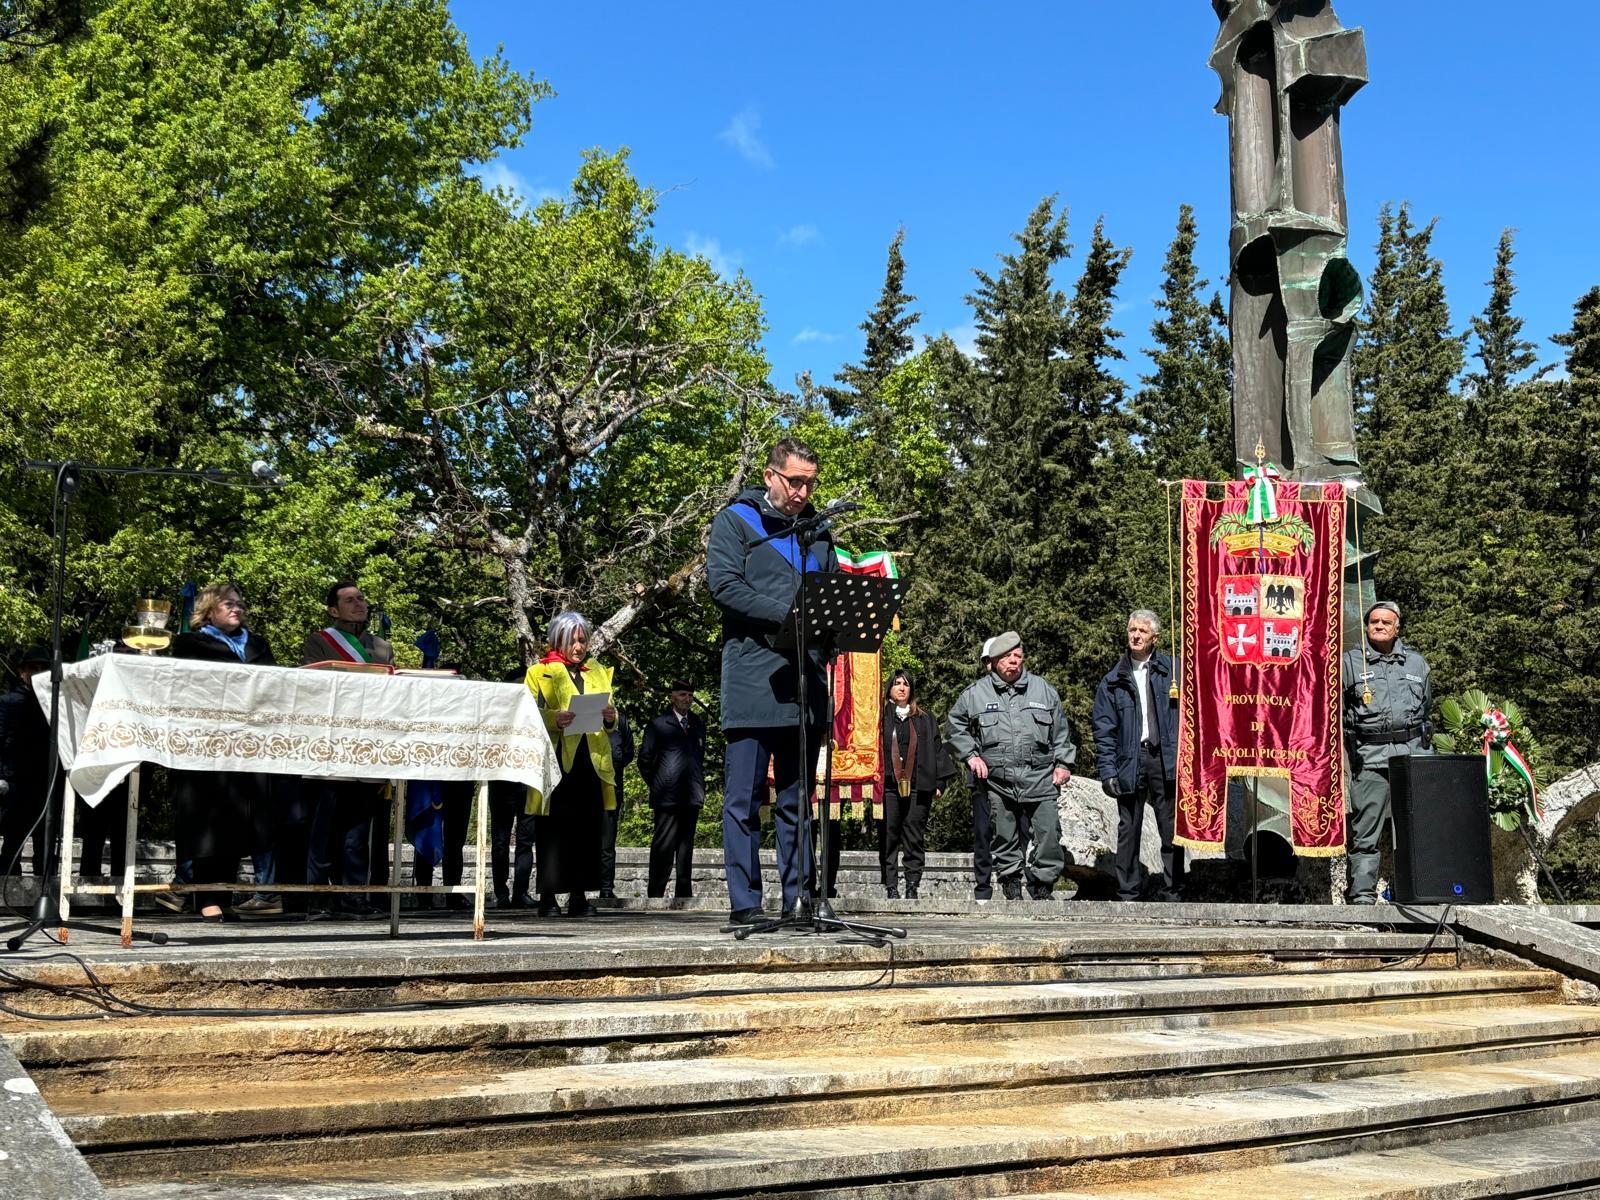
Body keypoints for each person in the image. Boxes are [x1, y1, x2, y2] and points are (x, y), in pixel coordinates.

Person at [708, 436, 838, 924]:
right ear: (770, 476)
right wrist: (787, 615)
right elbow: (724, 586)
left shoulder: (818, 533)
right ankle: (745, 904)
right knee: (743, 799)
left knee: (797, 800)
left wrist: (831, 631)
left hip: (805, 684)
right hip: (752, 680)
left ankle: (799, 900)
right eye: (795, 481)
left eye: (810, 483)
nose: (804, 492)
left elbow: (828, 601)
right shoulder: (736, 521)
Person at [168, 583, 280, 920]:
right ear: (209, 610)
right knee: (207, 823)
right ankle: (206, 900)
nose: (236, 608)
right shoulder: (191, 643)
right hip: (206, 745)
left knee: (238, 822)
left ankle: (226, 896)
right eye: (228, 604)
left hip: (248, 745)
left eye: (239, 603)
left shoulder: (257, 644)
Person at [948, 630, 1075, 901]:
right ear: (993, 661)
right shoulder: (975, 694)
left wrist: (1063, 763)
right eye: (1007, 657)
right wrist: (971, 756)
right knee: (1004, 835)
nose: (1013, 661)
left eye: (1018, 656)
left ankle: (1042, 884)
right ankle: (1011, 880)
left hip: (1040, 776)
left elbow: (1061, 732)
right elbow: (955, 727)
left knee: (1049, 832)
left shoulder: (1043, 690)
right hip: (997, 779)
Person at [301, 581, 394, 917]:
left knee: (358, 831)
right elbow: (314, 687)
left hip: (368, 747)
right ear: (333, 610)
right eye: (349, 600)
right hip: (331, 746)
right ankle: (318, 898)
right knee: (323, 827)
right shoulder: (320, 641)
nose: (359, 604)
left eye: (361, 598)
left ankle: (354, 896)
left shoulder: (382, 647)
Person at [526, 611, 618, 918]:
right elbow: (526, 714)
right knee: (554, 830)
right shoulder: (540, 672)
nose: (578, 646)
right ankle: (548, 896)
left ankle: (579, 895)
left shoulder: (598, 671)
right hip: (556, 760)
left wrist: (610, 718)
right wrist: (554, 719)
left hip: (590, 760)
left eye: (582, 640)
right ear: (557, 640)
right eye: (572, 640)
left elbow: (612, 715)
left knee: (587, 828)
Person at [1343, 600, 1433, 905]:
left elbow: (1426, 709)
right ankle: (1363, 896)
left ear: (1397, 628)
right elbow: (1338, 714)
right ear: (1367, 627)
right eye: (1374, 622)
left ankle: (1417, 891)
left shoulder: (1417, 664)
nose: (1379, 626)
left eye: (1386, 622)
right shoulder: (1351, 664)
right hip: (1370, 758)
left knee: (1418, 829)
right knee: (1365, 831)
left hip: (1413, 759)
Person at [1091, 609, 1183, 902]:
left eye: (1142, 631)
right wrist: (1107, 771)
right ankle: (1128, 893)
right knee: (1129, 828)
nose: (1136, 635)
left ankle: (1173, 891)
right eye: (1132, 630)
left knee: (1170, 829)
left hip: (1165, 758)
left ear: (1155, 637)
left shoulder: (1174, 671)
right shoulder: (1113, 680)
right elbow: (1104, 730)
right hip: (1130, 760)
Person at [878, 670, 953, 900]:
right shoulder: (879, 717)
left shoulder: (924, 718)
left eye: (906, 684)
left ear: (912, 690)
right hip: (889, 786)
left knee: (914, 836)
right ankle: (891, 885)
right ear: (890, 687)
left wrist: (939, 782)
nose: (901, 688)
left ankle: (912, 884)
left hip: (918, 786)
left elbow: (937, 749)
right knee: (889, 836)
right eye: (897, 683)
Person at [636, 679, 706, 898]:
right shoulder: (658, 725)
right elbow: (644, 760)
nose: (687, 699)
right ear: (672, 697)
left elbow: (699, 757)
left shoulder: (697, 724)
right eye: (683, 694)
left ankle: (683, 893)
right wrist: (659, 782)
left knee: (686, 847)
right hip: (667, 795)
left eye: (690, 695)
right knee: (663, 846)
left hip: (691, 794)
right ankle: (656, 892)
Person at [0, 644, 54, 878]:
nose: (38, 672)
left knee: (45, 840)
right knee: (14, 838)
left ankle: (45, 890)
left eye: (43, 668)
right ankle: (7, 887)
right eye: (33, 667)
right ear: (22, 670)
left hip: (45, 781)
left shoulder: (54, 705)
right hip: (16, 781)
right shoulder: (8, 702)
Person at [488, 667, 536, 908]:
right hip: (501, 781)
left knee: (526, 841)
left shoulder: (535, 715)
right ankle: (501, 893)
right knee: (500, 841)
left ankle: (521, 892)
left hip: (527, 782)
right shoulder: (497, 713)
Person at [598, 707, 634, 902]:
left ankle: (605, 887)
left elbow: (628, 752)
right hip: (587, 786)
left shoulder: (621, 721)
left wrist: (614, 766)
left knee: (608, 840)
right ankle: (578, 890)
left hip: (611, 787)